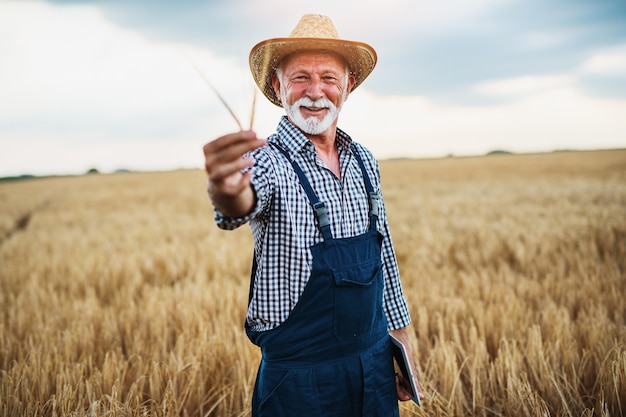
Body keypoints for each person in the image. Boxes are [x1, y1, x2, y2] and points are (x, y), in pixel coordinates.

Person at [203, 14, 423, 417]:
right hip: (300, 383)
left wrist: (402, 344)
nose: (315, 92)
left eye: (329, 79)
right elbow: (239, 201)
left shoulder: (364, 161)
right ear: (278, 85)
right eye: (300, 77)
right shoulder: (266, 162)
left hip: (374, 367)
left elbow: (385, 258)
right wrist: (226, 189)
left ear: (348, 87)